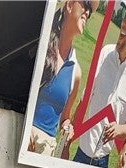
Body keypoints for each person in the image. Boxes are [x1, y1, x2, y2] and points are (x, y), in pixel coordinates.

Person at [70, 0, 126, 168]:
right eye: (123, 14)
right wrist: (68, 142)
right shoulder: (105, 53)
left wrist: (119, 129)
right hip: (80, 155)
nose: (123, 22)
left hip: (102, 163)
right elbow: (85, 99)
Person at [29, 0, 93, 155]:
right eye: (85, 4)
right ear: (69, 5)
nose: (87, 12)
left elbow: (65, 117)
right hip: (21, 133)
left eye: (90, 11)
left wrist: (67, 126)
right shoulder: (41, 43)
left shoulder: (75, 72)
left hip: (45, 149)